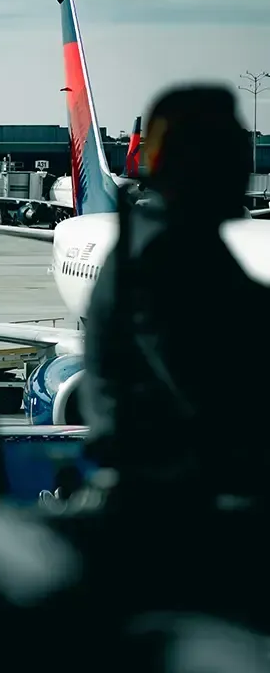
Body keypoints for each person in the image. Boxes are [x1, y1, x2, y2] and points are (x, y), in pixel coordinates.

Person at [81, 84, 267, 497]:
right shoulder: (164, 255)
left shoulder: (180, 241)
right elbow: (207, 386)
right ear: (173, 164)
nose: (244, 170)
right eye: (227, 155)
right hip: (181, 503)